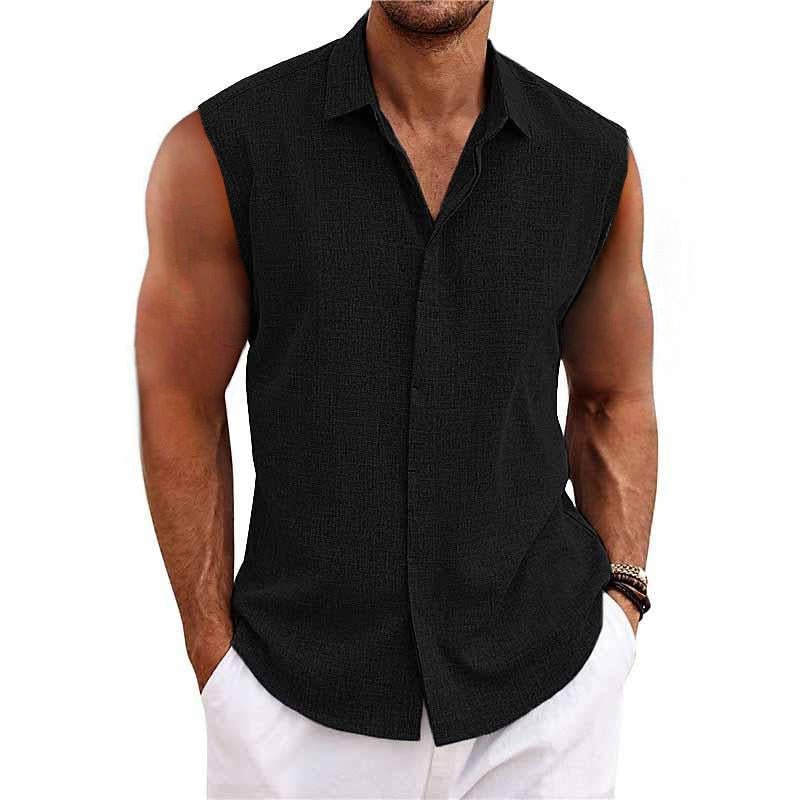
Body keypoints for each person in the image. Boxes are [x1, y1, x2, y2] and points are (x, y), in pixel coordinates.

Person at [135, 2, 657, 797]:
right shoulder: (226, 149)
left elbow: (613, 397)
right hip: (294, 710)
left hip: (547, 704)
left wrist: (622, 609)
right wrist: (214, 660)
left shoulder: (592, 162)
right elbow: (181, 398)